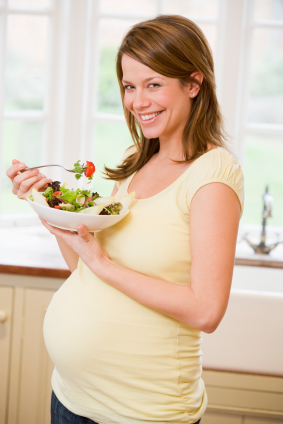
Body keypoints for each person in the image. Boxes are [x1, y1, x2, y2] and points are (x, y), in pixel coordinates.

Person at [6, 15, 244, 424]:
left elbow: (206, 310)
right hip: (72, 397)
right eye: (130, 86)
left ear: (193, 83)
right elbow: (86, 267)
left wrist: (101, 262)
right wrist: (51, 202)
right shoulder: (138, 164)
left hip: (142, 413)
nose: (138, 101)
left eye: (154, 84)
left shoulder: (213, 174)